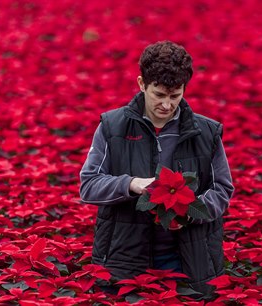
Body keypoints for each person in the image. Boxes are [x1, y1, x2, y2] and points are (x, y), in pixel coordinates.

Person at [79, 40, 234, 298]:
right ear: (142, 84)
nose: (167, 105)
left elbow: (222, 190)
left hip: (188, 262)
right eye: (159, 95)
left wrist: (188, 213)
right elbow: (89, 185)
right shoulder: (112, 126)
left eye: (175, 96)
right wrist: (132, 184)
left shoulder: (207, 132)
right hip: (125, 261)